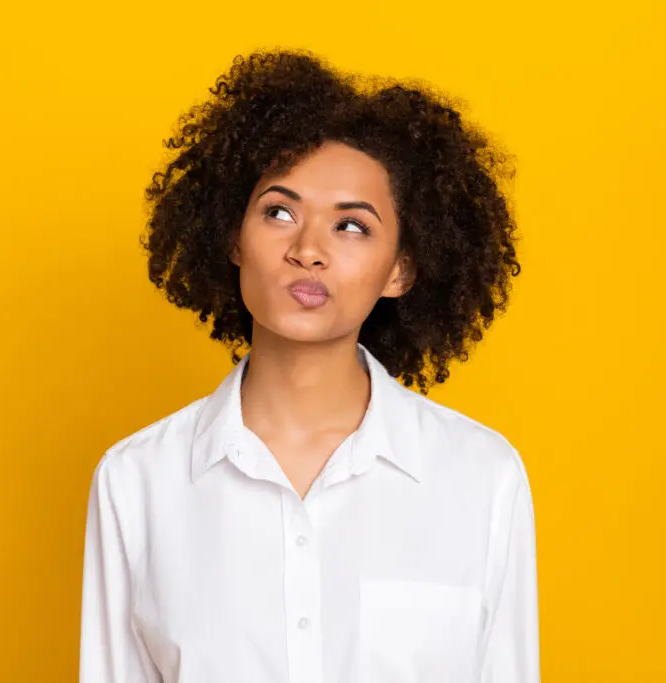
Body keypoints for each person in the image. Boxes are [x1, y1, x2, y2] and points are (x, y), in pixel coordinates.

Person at [79, 48, 538, 683]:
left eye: (352, 226)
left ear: (401, 269)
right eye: (279, 212)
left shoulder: (482, 477)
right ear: (233, 237)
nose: (308, 251)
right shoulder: (136, 482)